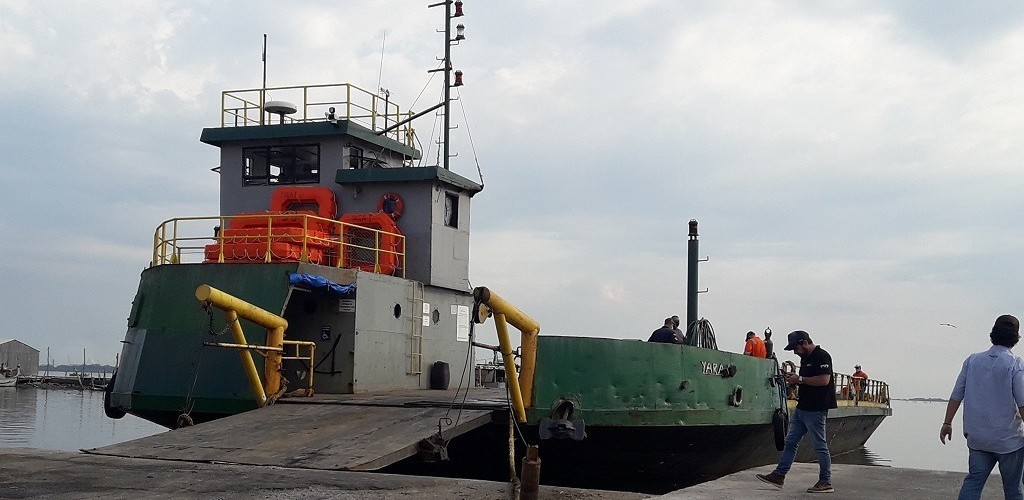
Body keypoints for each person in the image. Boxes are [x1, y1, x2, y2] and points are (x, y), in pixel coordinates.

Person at [940, 314, 1024, 500]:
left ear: (993, 333)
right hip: (1008, 441)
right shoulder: (1015, 364)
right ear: (1016, 338)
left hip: (978, 438)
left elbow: (956, 396)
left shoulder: (972, 361)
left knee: (974, 482)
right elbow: (1022, 404)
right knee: (1013, 489)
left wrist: (947, 423)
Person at [756, 330, 837, 493]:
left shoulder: (822, 356)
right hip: (802, 409)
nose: (795, 352)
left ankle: (825, 481)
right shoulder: (806, 358)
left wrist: (799, 379)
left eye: (796, 348)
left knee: (820, 445)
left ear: (805, 343)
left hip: (816, 409)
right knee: (790, 442)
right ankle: (779, 475)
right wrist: (795, 380)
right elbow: (807, 381)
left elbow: (824, 380)